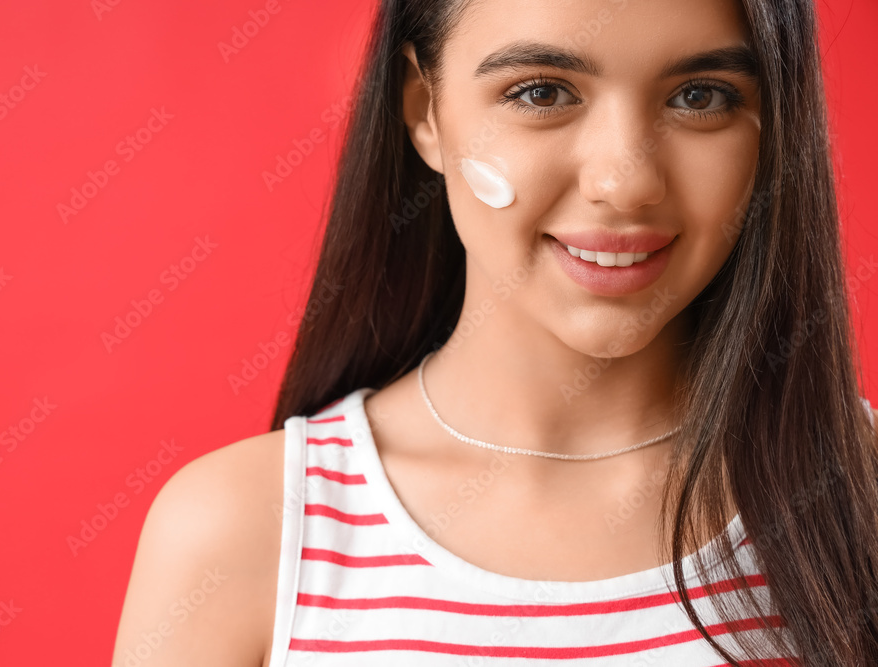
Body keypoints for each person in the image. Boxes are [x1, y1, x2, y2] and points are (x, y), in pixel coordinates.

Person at [111, 0, 878, 664]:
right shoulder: (246, 535)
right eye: (541, 91)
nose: (625, 181)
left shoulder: (860, 492)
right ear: (425, 112)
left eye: (700, 95)